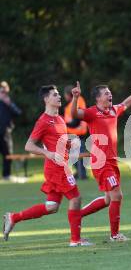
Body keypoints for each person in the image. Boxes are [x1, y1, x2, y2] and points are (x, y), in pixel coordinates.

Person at [3, 85, 91, 246]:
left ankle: (13, 217)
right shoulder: (43, 121)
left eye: (58, 94)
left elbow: (62, 145)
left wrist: (81, 150)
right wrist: (48, 153)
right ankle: (76, 240)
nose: (59, 97)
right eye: (55, 95)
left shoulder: (59, 119)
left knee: (51, 206)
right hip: (56, 169)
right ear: (46, 99)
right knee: (76, 198)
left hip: (59, 166)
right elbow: (28, 146)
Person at [71, 76, 131, 241]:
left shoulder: (113, 110)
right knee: (117, 196)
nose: (110, 95)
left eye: (110, 93)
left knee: (109, 199)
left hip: (111, 161)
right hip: (101, 163)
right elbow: (74, 113)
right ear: (98, 98)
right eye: (106, 93)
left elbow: (128, 102)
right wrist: (75, 98)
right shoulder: (92, 113)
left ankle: (77, 216)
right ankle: (115, 235)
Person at [63, 86, 88, 180]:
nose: (64, 96)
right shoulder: (69, 105)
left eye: (65, 94)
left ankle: (83, 175)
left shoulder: (78, 101)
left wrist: (65, 124)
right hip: (71, 134)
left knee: (79, 155)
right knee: (72, 156)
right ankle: (79, 173)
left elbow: (77, 119)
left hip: (78, 133)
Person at [0, 81, 22, 180]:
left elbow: (18, 113)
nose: (3, 94)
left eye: (4, 91)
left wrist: (9, 104)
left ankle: (6, 175)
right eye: (1, 91)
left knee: (8, 154)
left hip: (6, 133)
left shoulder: (9, 103)